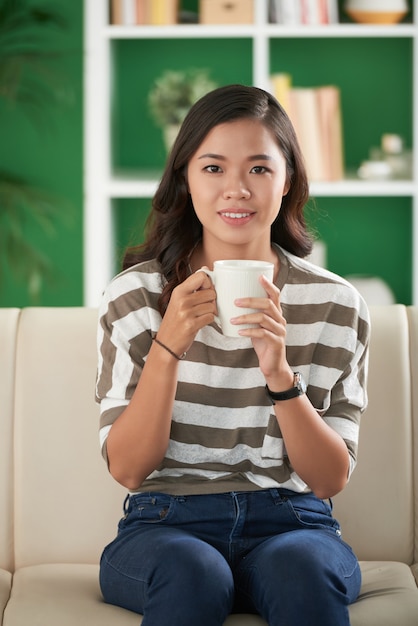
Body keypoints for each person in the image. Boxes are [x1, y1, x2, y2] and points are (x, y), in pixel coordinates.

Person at [96, 84, 370, 626]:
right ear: (185, 181)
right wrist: (168, 348)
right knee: (194, 571)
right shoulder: (135, 296)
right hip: (164, 525)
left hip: (295, 524)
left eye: (260, 169)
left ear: (287, 180)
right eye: (214, 168)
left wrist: (279, 373)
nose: (237, 190)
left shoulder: (336, 303)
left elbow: (329, 479)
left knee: (302, 569)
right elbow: (128, 469)